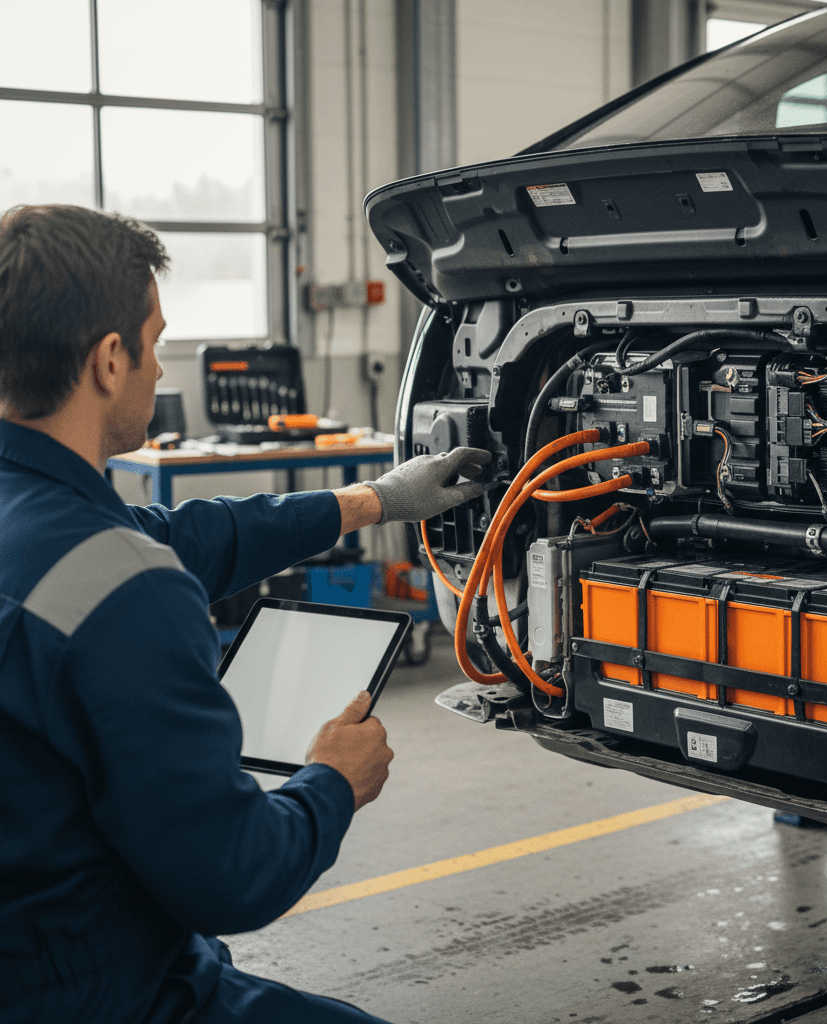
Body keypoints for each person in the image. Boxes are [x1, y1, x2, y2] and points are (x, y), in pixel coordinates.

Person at [0, 204, 490, 1024]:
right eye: (156, 343)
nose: (162, 370)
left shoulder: (52, 521)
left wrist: (375, 500)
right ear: (110, 360)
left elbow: (183, 535)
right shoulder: (126, 590)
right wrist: (333, 782)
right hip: (92, 989)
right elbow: (233, 878)